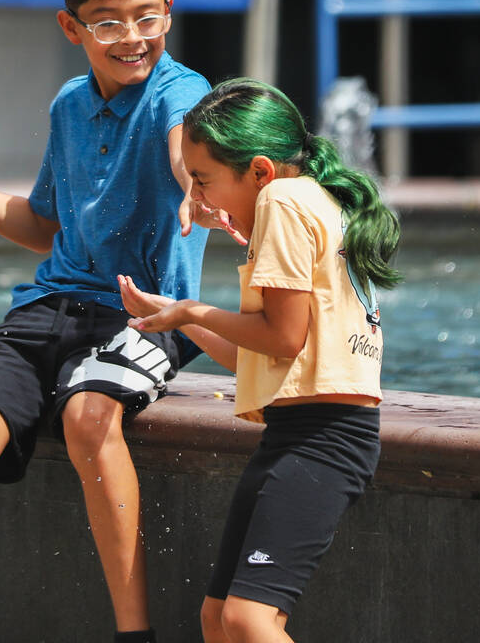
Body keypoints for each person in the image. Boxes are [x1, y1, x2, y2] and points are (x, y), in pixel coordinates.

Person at [0, 0, 241, 643]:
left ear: (168, 13)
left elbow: (185, 149)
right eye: (109, 23)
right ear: (72, 27)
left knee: (89, 417)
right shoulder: (67, 106)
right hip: (46, 309)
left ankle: (133, 635)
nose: (132, 38)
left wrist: (194, 192)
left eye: (147, 18)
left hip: (148, 315)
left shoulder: (185, 93)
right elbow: (44, 226)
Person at [118, 78, 401, 642]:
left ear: (260, 171)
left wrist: (190, 309)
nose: (197, 198)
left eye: (202, 180)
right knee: (219, 618)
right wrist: (183, 317)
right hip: (299, 431)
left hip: (324, 436)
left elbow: (283, 338)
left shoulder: (284, 202)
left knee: (247, 620)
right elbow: (261, 354)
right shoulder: (309, 198)